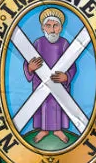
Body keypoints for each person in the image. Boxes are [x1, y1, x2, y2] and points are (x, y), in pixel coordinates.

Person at [23, 8, 77, 146]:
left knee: (58, 104)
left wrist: (66, 77)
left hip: (60, 84)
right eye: (48, 25)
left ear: (60, 27)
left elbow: (72, 66)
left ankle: (58, 130)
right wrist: (30, 68)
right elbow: (28, 62)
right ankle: (44, 130)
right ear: (43, 27)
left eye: (55, 25)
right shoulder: (38, 43)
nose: (52, 29)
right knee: (43, 105)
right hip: (40, 84)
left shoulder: (65, 44)